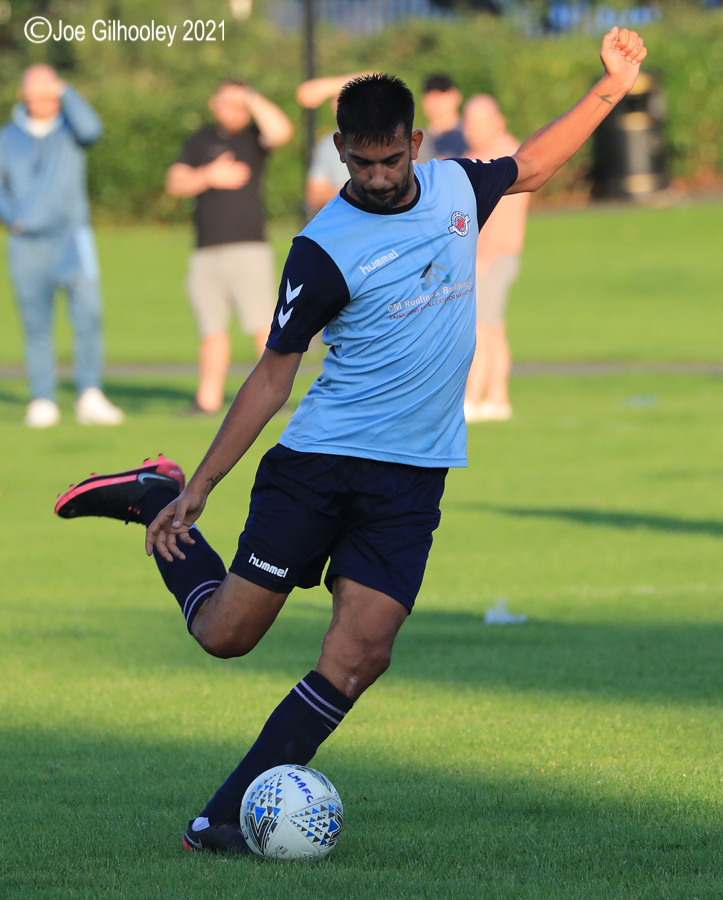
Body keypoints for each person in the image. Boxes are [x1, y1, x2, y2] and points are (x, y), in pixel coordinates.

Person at [55, 28, 648, 854]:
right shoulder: (323, 248)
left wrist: (611, 86)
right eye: (359, 163)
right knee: (227, 635)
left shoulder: (453, 188)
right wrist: (203, 487)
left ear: (412, 144)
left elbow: (533, 167)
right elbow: (271, 376)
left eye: (388, 162)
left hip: (412, 479)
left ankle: (224, 816)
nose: (373, 179)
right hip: (320, 468)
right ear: (340, 149)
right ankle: (156, 493)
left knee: (361, 654)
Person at [0, 65, 124, 428]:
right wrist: (13, 218)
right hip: (26, 244)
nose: (43, 98)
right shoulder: (7, 137)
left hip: (73, 239)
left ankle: (90, 395)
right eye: (35, 91)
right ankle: (43, 399)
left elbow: (93, 128)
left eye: (49, 91)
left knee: (89, 315)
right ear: (23, 94)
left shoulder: (73, 130)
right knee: (35, 322)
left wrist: (66, 90)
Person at [166, 79, 294, 415]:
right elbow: (176, 181)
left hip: (249, 247)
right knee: (211, 328)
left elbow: (281, 132)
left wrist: (251, 97)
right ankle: (207, 400)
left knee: (262, 326)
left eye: (238, 104)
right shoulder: (200, 140)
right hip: (206, 249)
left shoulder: (253, 137)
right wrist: (209, 176)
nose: (231, 110)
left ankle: (275, 393)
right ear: (214, 103)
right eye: (226, 102)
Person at [463, 95, 530, 422]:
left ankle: (473, 400)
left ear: (497, 120)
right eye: (469, 122)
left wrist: (483, 258)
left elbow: (501, 217)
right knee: (493, 327)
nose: (472, 129)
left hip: (495, 255)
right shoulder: (474, 157)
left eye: (479, 122)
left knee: (481, 327)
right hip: (483, 256)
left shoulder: (505, 156)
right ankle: (498, 398)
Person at [296, 74, 367, 215]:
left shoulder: (388, 136)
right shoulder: (328, 145)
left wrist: (324, 87)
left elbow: (377, 78)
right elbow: (314, 197)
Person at [416, 73, 468, 164]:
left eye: (441, 96)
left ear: (456, 96)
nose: (436, 103)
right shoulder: (416, 139)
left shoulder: (470, 133)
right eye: (431, 97)